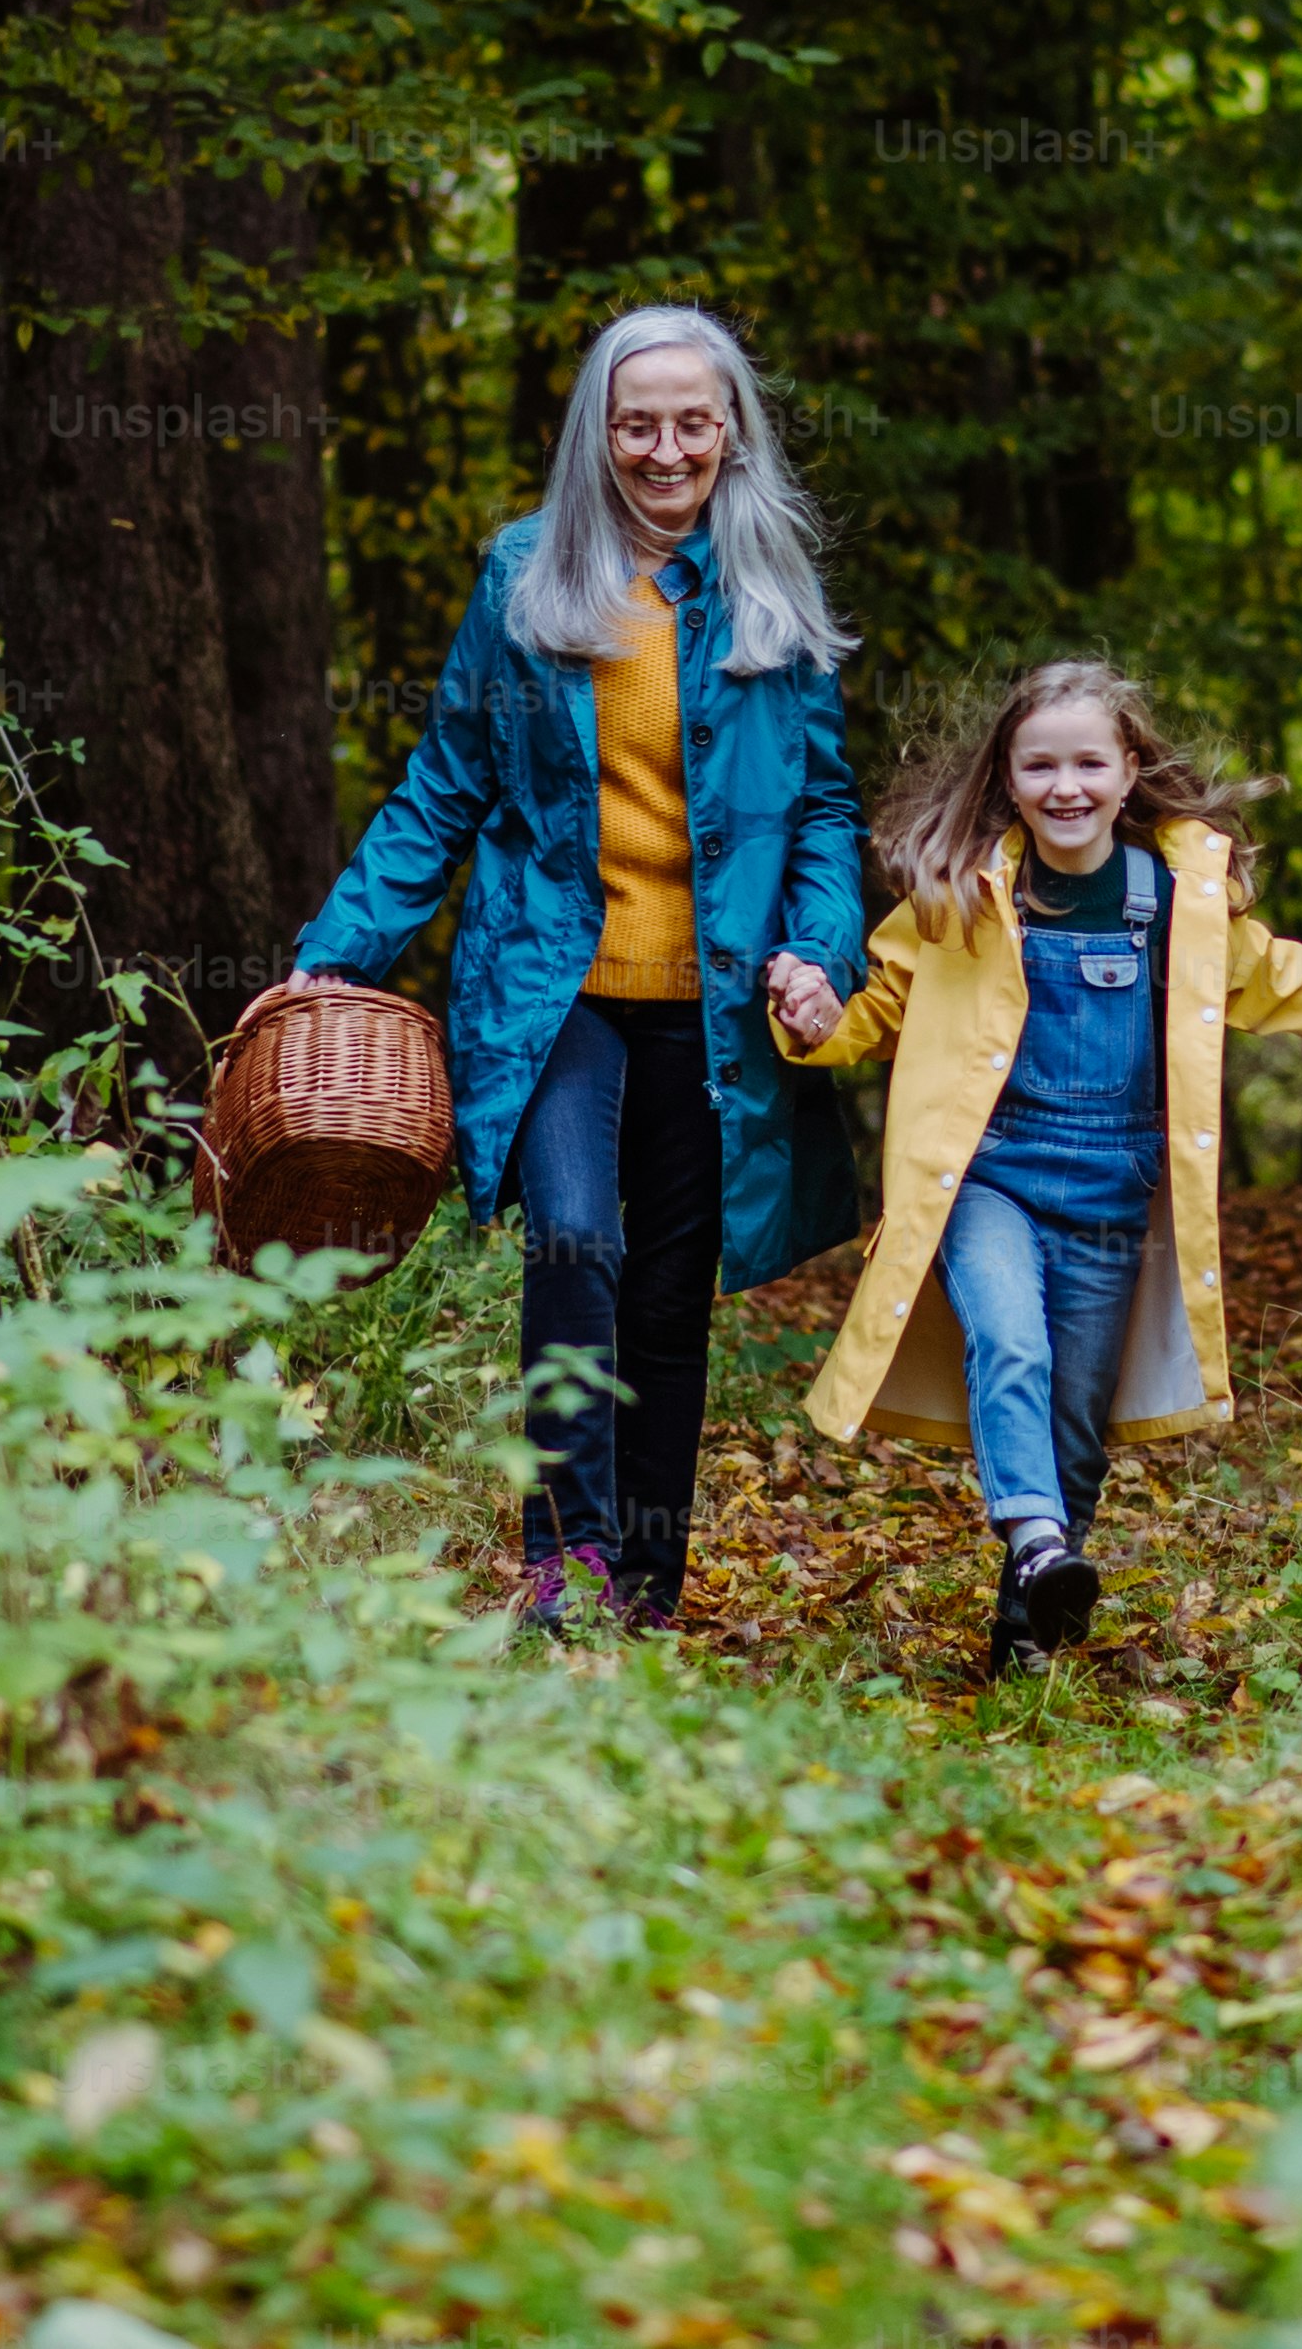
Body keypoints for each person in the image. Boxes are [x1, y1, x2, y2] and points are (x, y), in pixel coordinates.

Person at [290, 303, 870, 1635]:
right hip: (556, 989)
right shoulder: (522, 576)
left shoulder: (771, 580)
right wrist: (330, 960)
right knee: (571, 1238)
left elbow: (825, 807)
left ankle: (648, 1586)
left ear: (730, 430)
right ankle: (570, 1558)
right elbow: (444, 784)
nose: (663, 447)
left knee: (669, 1296)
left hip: (716, 1006)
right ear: (594, 433)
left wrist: (818, 947)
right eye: (635, 422)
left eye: (690, 421)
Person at [790, 660, 1302, 1676]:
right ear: (1007, 777)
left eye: (1087, 762)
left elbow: (1281, 981)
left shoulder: (1174, 901)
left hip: (1111, 1195)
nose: (1064, 785)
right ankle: (1035, 1545)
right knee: (1008, 1344)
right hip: (988, 1175)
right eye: (1040, 764)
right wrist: (811, 1019)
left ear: (1128, 772)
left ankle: (1023, 1630)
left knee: (1075, 1421)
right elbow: (871, 1011)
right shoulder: (963, 897)